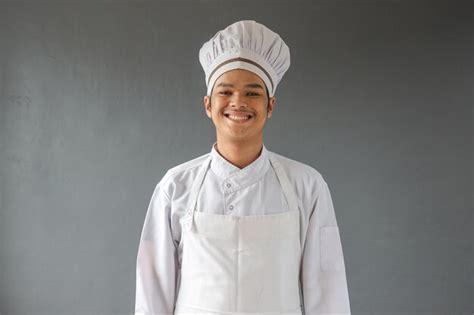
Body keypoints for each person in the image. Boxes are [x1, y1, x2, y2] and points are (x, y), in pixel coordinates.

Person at [135, 20, 351, 315]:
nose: (238, 102)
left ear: (270, 105)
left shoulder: (307, 185)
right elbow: (153, 290)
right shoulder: (175, 186)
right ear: (208, 105)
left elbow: (328, 289)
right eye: (226, 92)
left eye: (252, 93)